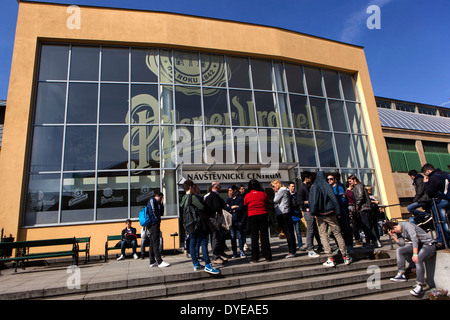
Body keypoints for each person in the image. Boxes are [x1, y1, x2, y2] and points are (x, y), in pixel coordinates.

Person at [309, 171, 351, 267]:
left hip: (320, 214)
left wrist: (313, 212)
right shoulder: (327, 186)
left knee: (323, 235)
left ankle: (330, 257)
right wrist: (338, 212)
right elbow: (333, 198)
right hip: (330, 212)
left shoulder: (314, 187)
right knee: (337, 233)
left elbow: (313, 201)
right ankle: (345, 256)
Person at [385, 220, 436, 296]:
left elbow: (414, 239)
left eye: (394, 232)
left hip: (428, 245)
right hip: (419, 246)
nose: (395, 233)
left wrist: (415, 254)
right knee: (399, 250)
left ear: (394, 227)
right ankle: (401, 273)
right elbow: (401, 244)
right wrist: (392, 236)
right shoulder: (399, 232)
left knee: (418, 259)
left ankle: (419, 285)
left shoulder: (407, 225)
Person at [180, 179, 220, 275]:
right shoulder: (192, 197)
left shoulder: (183, 198)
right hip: (197, 224)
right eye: (193, 187)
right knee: (204, 241)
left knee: (192, 242)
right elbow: (201, 207)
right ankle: (207, 265)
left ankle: (196, 264)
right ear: (190, 187)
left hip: (189, 224)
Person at [243, 179, 272, 263]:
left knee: (254, 238)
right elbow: (267, 203)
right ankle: (268, 256)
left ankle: (255, 257)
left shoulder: (247, 195)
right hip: (263, 215)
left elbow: (245, 205)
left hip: (252, 216)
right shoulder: (263, 194)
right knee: (265, 237)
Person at [422, 163, 450, 248]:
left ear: (428, 171)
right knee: (446, 220)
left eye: (425, 173)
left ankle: (443, 240)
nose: (426, 175)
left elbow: (430, 192)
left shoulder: (433, 178)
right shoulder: (446, 174)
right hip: (448, 200)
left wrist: (426, 183)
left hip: (439, 201)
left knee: (441, 221)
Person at [348, 175, 381, 248]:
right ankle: (374, 240)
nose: (350, 183)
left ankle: (370, 241)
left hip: (363, 208)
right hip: (364, 208)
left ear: (354, 180)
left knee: (366, 226)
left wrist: (357, 206)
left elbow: (360, 196)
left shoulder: (358, 186)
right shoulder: (357, 187)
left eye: (350, 181)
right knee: (367, 225)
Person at [298, 172, 322, 257]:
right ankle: (310, 249)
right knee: (310, 229)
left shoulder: (311, 186)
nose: (311, 179)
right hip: (307, 211)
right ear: (306, 178)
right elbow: (299, 201)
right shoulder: (302, 188)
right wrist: (309, 202)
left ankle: (319, 245)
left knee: (314, 229)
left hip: (313, 210)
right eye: (310, 178)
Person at [327, 173, 353, 252]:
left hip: (341, 211)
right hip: (333, 212)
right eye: (328, 179)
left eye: (331, 179)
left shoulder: (339, 187)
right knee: (336, 231)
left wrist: (336, 203)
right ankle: (340, 246)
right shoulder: (328, 189)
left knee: (345, 229)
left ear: (334, 179)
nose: (329, 181)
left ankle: (349, 246)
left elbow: (343, 200)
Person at [271, 179, 297, 258]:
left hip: (283, 213)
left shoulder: (281, 190)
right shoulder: (285, 190)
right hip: (285, 212)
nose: (273, 188)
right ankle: (292, 250)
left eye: (273, 186)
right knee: (289, 232)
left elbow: (275, 200)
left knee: (288, 232)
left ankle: (291, 251)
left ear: (277, 184)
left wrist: (275, 193)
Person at [205, 181, 228, 264]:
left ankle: (217, 254)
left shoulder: (209, 196)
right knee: (216, 237)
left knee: (216, 237)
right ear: (215, 187)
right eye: (219, 187)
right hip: (214, 218)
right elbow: (217, 207)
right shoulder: (214, 196)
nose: (221, 188)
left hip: (211, 218)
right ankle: (215, 256)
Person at [147, 192, 170, 268]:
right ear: (158, 196)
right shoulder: (152, 201)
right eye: (161, 198)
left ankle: (152, 261)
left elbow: (161, 213)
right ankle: (159, 261)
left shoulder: (156, 203)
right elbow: (152, 212)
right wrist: (156, 220)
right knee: (156, 242)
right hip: (153, 224)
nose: (162, 199)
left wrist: (161, 204)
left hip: (154, 224)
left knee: (152, 243)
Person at [226, 185, 246, 258]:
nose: (229, 192)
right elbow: (226, 208)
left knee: (240, 236)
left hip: (238, 219)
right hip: (231, 220)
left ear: (234, 190)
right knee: (232, 236)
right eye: (228, 191)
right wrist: (233, 207)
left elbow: (241, 208)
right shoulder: (228, 200)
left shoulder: (240, 199)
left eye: (231, 190)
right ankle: (234, 252)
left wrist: (232, 208)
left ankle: (241, 250)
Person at [288, 182, 305, 251]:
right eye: (292, 186)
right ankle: (293, 246)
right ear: (288, 187)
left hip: (296, 215)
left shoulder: (296, 195)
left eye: (294, 186)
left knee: (297, 231)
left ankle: (300, 245)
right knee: (291, 232)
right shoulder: (287, 195)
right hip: (290, 215)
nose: (293, 188)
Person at [346, 180, 363, 247]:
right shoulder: (349, 192)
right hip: (352, 208)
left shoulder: (347, 192)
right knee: (355, 224)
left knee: (354, 224)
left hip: (351, 208)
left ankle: (357, 239)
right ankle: (357, 239)